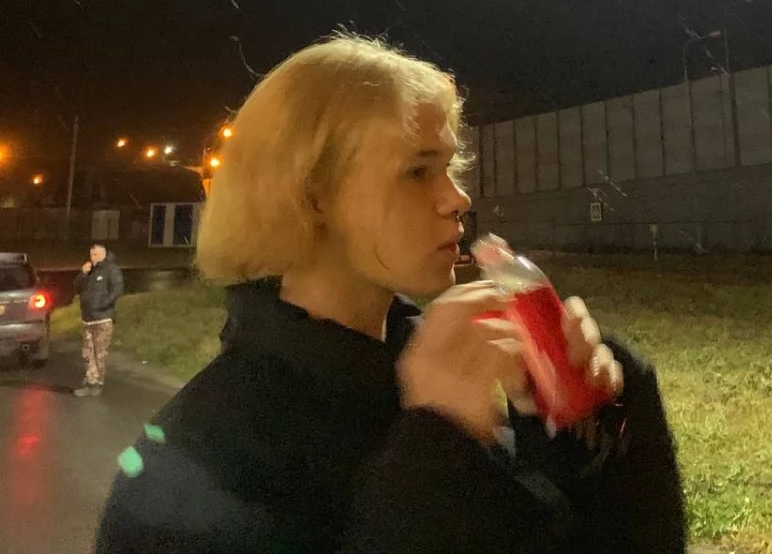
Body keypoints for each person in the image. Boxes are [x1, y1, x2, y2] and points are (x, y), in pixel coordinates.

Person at [96, 35, 686, 554]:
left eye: (450, 167)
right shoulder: (198, 459)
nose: (458, 198)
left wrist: (587, 426)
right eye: (417, 171)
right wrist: (436, 456)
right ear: (311, 195)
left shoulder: (440, 383)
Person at [73, 243, 124, 397]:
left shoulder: (111, 269)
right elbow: (76, 287)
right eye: (91, 254)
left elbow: (117, 290)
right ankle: (91, 380)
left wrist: (101, 305)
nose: (92, 258)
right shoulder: (90, 270)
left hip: (102, 319)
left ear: (103, 254)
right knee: (87, 352)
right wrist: (82, 273)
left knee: (99, 353)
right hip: (87, 319)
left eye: (95, 254)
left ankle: (97, 383)